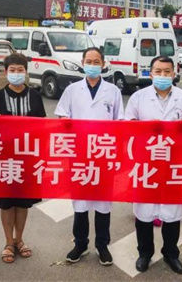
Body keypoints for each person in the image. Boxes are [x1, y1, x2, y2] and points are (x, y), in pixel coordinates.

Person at [125, 56, 182, 275]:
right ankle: (145, 253)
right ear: (150, 73)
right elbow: (128, 126)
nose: (163, 76)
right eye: (158, 71)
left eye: (167, 72)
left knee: (172, 212)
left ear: (174, 74)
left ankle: (171, 254)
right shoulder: (138, 98)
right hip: (146, 162)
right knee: (144, 211)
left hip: (174, 163)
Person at [55, 47, 124, 266]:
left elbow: (119, 122)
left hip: (103, 153)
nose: (93, 64)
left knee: (103, 203)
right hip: (79, 154)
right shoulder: (72, 90)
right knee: (81, 203)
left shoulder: (113, 91)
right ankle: (81, 244)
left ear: (103, 64)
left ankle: (102, 245)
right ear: (83, 62)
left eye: (96, 61)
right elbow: (62, 116)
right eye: (89, 60)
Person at [0, 53, 46, 263]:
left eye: (20, 70)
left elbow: (43, 127)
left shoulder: (36, 96)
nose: (16, 74)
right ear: (5, 72)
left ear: (26, 72)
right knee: (6, 203)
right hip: (4, 159)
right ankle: (8, 242)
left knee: (22, 203)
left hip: (28, 159)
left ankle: (19, 239)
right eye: (12, 70)